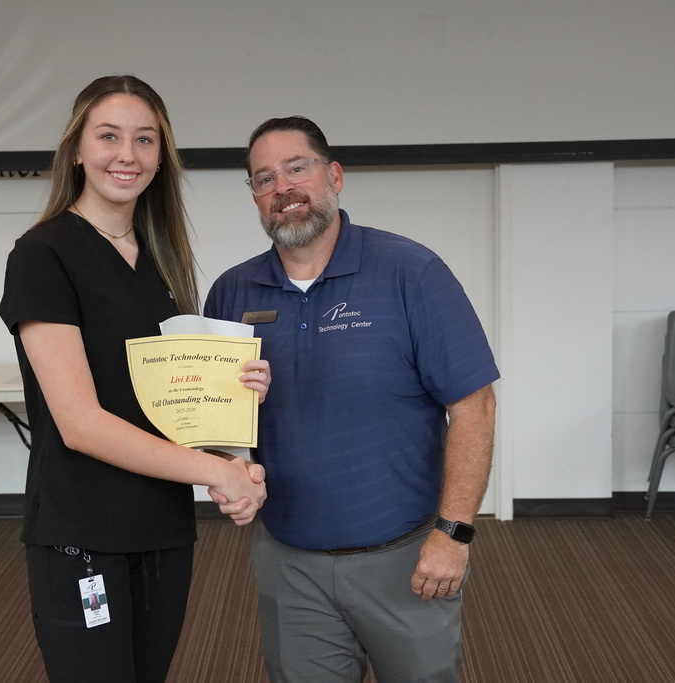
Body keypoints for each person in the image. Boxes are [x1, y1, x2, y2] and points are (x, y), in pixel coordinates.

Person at [204, 116, 499, 683]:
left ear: (334, 176)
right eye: (263, 179)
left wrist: (454, 532)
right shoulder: (231, 291)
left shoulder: (412, 272)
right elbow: (220, 420)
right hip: (288, 561)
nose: (282, 189)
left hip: (405, 559)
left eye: (297, 168)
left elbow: (474, 407)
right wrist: (229, 464)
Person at [0, 75, 268, 683]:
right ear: (77, 149)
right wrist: (215, 473)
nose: (128, 154)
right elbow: (82, 425)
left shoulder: (159, 260)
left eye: (145, 139)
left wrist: (230, 432)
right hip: (83, 536)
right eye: (109, 136)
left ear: (160, 156)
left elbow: (165, 403)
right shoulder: (43, 255)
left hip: (162, 530)